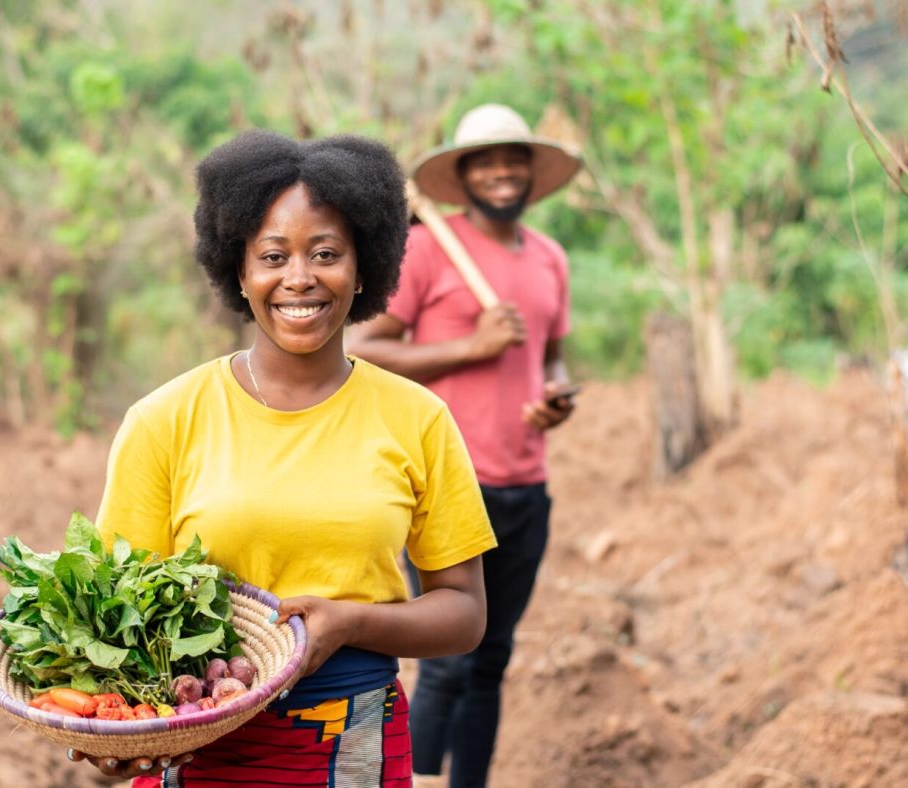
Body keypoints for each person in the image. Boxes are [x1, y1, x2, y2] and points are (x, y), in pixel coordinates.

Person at [73, 130, 497, 786]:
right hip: (198, 740)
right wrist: (113, 730)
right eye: (273, 255)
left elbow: (464, 614)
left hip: (353, 742)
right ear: (239, 270)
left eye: (326, 253)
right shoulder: (164, 420)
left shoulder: (417, 419)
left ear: (364, 268)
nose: (300, 278)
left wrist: (353, 621)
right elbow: (112, 614)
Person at [345, 103, 583, 788]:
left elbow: (553, 357)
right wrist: (470, 346)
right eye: (487, 161)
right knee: (449, 660)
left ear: (532, 173)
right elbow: (364, 349)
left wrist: (557, 397)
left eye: (514, 160)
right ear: (463, 174)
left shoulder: (549, 258)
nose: (503, 173)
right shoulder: (428, 248)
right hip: (451, 483)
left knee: (492, 659)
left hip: (526, 483)